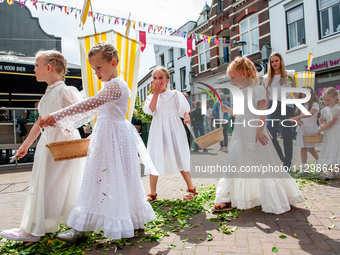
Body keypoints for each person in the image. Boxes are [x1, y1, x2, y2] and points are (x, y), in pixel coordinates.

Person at [41, 42, 156, 241]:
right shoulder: (113, 86)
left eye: (99, 67)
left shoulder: (115, 85)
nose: (96, 72)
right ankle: (130, 220)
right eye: (93, 69)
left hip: (112, 137)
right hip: (111, 135)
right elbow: (99, 111)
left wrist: (59, 114)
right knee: (119, 176)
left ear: (113, 62)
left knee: (98, 177)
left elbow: (89, 103)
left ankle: (82, 229)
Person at [0, 50, 86, 242]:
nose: (34, 69)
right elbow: (40, 122)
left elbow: (82, 116)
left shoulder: (65, 90)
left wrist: (57, 120)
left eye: (36, 65)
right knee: (45, 183)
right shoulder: (49, 91)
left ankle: (36, 229)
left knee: (58, 184)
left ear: (49, 68)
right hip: (48, 141)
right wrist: (25, 145)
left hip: (62, 141)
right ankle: (36, 226)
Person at [213, 56, 304, 214]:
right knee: (235, 163)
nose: (232, 81)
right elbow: (240, 115)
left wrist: (260, 130)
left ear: (243, 73)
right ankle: (227, 197)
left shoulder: (258, 89)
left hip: (255, 132)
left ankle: (275, 198)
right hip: (240, 133)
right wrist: (228, 110)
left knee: (262, 163)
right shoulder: (242, 92)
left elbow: (264, 112)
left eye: (233, 77)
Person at [143, 66, 197, 202]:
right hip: (158, 130)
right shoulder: (150, 97)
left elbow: (184, 109)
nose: (157, 81)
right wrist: (155, 93)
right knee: (155, 158)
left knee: (179, 155)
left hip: (174, 129)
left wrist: (186, 115)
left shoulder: (175, 94)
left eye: (160, 78)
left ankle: (191, 188)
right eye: (155, 78)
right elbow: (151, 110)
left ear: (167, 80)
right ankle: (153, 193)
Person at [264, 52, 297, 171]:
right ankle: (281, 158)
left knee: (287, 135)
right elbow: (267, 96)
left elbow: (295, 90)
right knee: (269, 133)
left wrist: (297, 107)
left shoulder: (289, 74)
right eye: (272, 62)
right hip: (273, 105)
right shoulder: (266, 77)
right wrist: (265, 111)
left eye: (276, 61)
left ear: (281, 61)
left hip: (287, 105)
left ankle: (288, 163)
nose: (274, 63)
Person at [290, 87, 320, 174]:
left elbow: (310, 114)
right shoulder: (301, 105)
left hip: (311, 129)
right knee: (303, 149)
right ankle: (304, 168)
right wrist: (298, 120)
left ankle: (319, 162)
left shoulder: (315, 104)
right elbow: (298, 115)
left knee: (311, 149)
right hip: (302, 129)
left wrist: (298, 117)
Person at [313, 87, 340, 180]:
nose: (326, 102)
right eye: (324, 100)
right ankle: (334, 171)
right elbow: (323, 122)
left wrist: (319, 131)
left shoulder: (337, 109)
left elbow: (331, 123)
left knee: (334, 150)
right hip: (328, 133)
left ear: (335, 97)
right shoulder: (324, 110)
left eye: (328, 100)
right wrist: (322, 121)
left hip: (335, 133)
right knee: (328, 149)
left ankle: (330, 170)